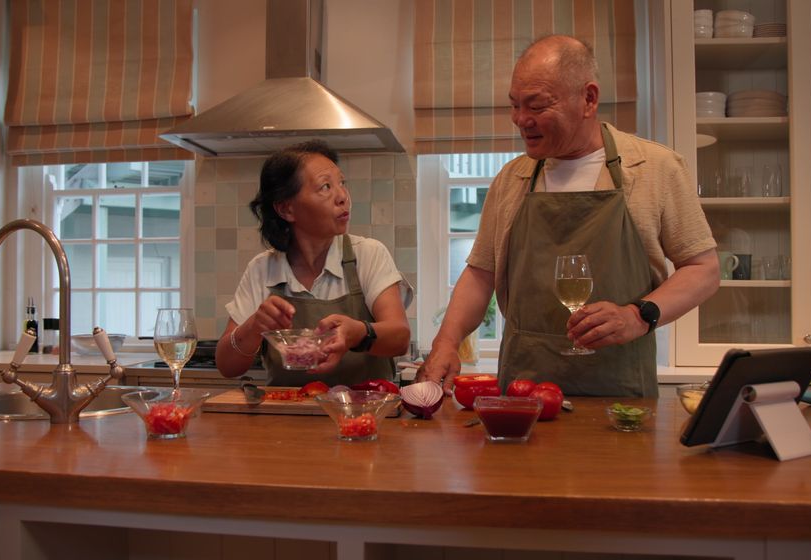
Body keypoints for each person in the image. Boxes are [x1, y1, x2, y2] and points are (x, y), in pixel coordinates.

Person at [417, 36, 719, 397]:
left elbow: (703, 269)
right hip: (522, 392)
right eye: (514, 105)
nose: (521, 120)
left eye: (537, 106)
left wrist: (638, 316)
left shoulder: (655, 168)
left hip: (619, 392)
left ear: (588, 99)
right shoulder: (512, 179)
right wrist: (447, 341)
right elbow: (482, 273)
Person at [216, 140, 411, 386]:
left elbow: (400, 337)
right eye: (325, 187)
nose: (343, 197)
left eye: (342, 183)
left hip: (361, 416)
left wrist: (356, 334)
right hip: (287, 416)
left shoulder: (368, 254)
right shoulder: (262, 269)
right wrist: (254, 326)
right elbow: (226, 366)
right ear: (287, 209)